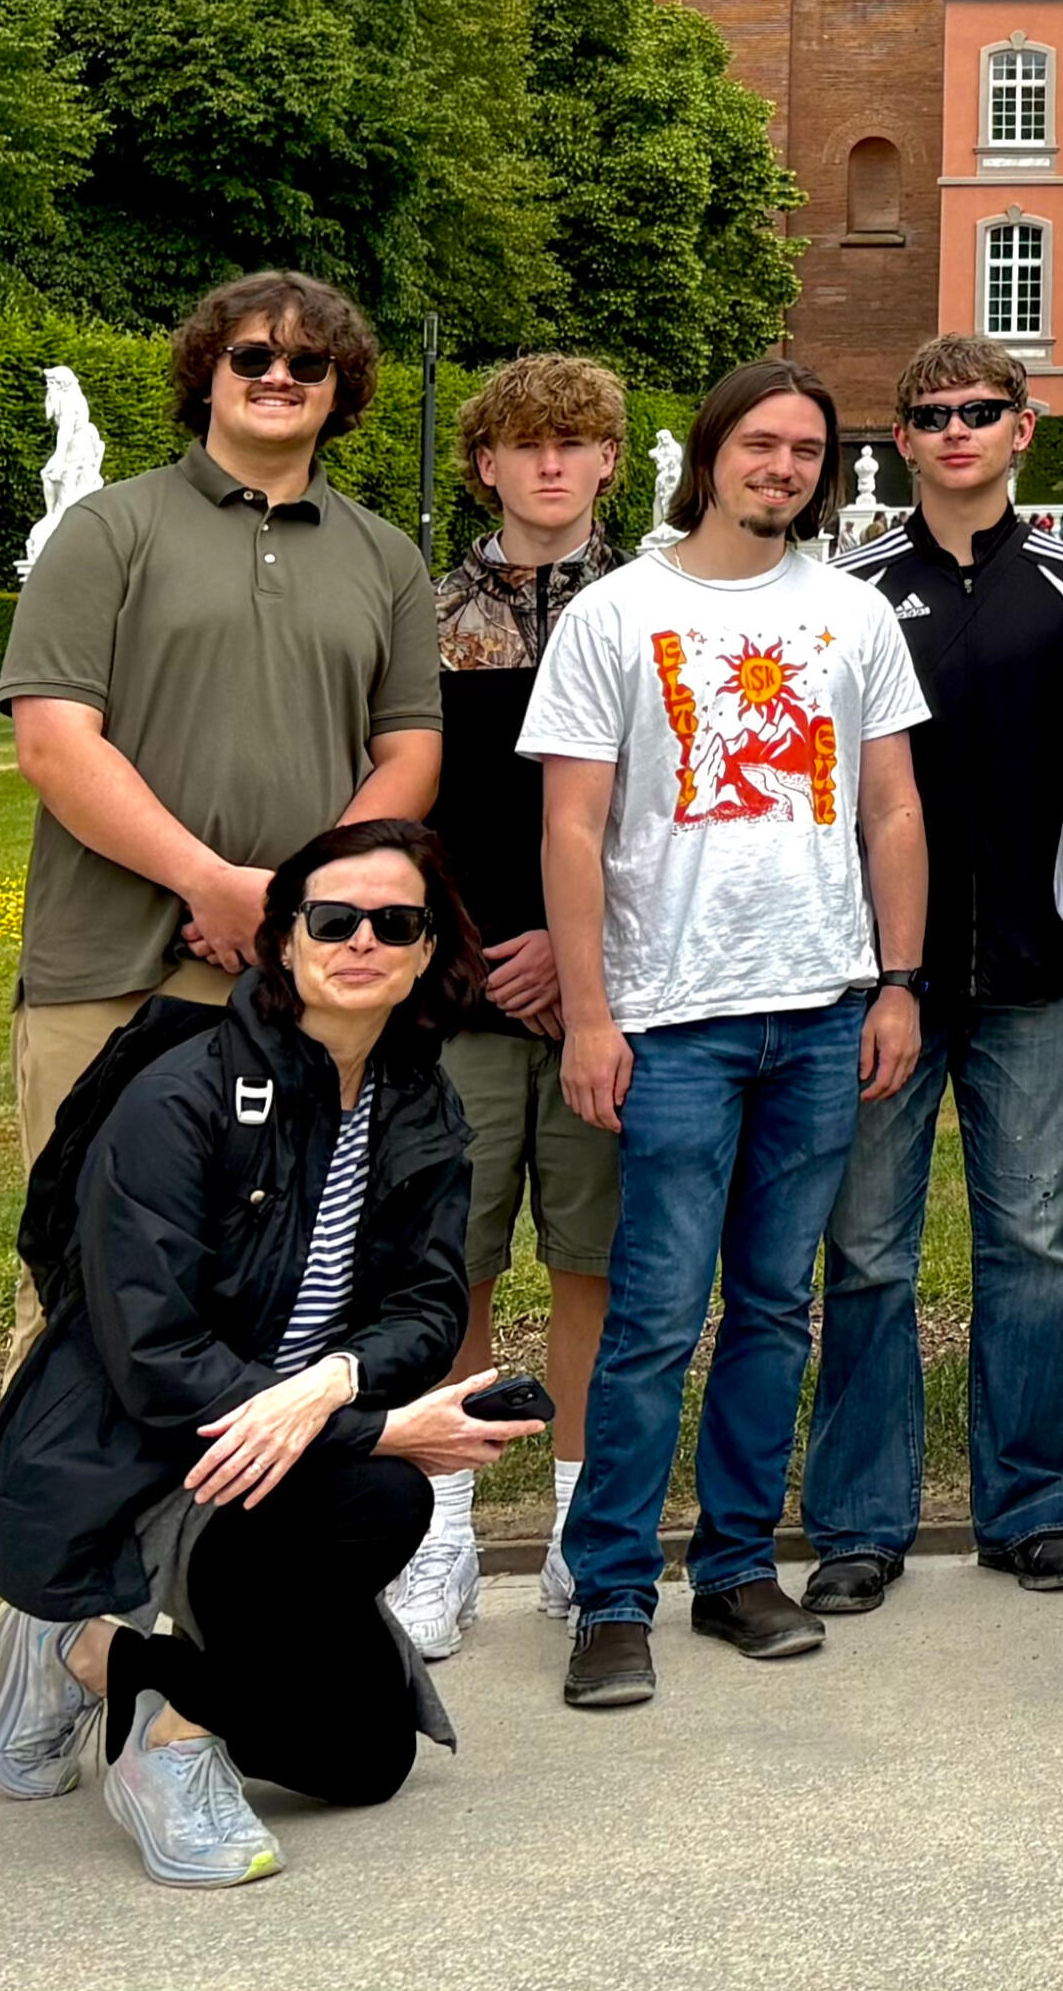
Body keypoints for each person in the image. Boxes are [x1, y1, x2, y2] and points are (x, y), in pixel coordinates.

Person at [0, 819, 543, 1885]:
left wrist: (329, 1387)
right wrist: (373, 1430)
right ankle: (167, 1742)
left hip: (286, 1449)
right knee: (387, 1497)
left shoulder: (418, 1098)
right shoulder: (180, 1096)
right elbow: (153, 1352)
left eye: (395, 923)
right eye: (333, 918)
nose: (361, 940)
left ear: (426, 952)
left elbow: (427, 1303)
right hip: (153, 1457)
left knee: (362, 1763)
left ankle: (85, 1650)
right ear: (282, 941)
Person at [523, 358, 933, 1713]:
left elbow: (891, 808)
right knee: (652, 1315)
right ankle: (611, 1593)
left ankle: (740, 1566)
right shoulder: (616, 613)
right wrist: (590, 1013)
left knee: (772, 1309)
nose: (786, 468)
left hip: (819, 1007)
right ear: (710, 454)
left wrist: (897, 982)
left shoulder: (852, 612)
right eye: (762, 443)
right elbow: (571, 826)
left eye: (808, 450)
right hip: (672, 1019)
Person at [0, 273, 443, 1358]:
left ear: (341, 389)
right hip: (114, 967)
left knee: (282, 1288)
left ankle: (249, 1481)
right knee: (83, 1286)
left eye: (308, 362)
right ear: (207, 373)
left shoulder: (386, 557)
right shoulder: (107, 528)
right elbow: (54, 742)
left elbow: (411, 755)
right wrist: (209, 881)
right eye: (252, 355)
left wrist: (291, 904)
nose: (278, 375)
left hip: (307, 977)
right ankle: (68, 1483)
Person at [806, 335, 1063, 1611]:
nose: (957, 432)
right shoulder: (850, 591)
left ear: (1022, 428)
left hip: (1034, 965)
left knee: (1032, 1247)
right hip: (883, 977)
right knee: (868, 1250)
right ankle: (858, 1520)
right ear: (903, 439)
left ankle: (1032, 1505)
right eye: (932, 416)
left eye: (981, 411)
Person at [396, 352, 628, 1655]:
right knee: (457, 1267)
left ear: (608, 461)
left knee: (593, 1264)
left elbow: (668, 813)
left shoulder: (653, 611)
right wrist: (476, 949)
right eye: (526, 443)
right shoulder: (426, 618)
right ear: (486, 464)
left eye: (574, 441)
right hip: (460, 993)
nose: (551, 463)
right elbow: (402, 808)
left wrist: (573, 948)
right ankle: (441, 1541)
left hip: (602, 989)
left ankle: (582, 1535)